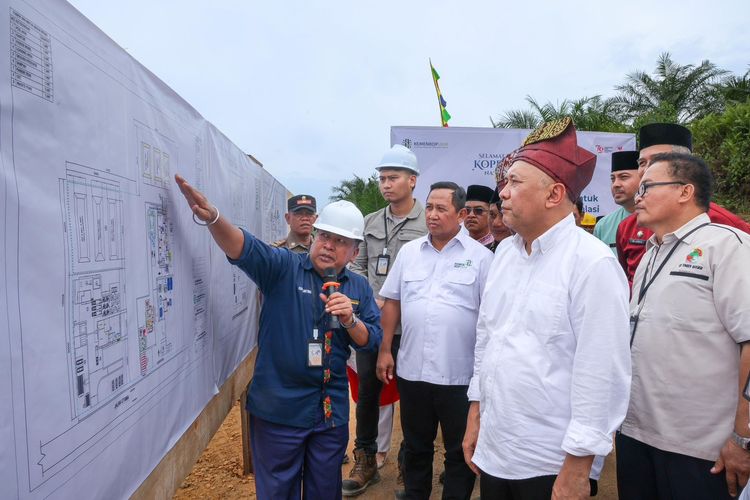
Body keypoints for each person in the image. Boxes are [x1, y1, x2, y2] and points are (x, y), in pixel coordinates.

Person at [174, 174, 382, 500]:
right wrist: (214, 218)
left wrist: (350, 319)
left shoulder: (358, 288)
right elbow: (244, 247)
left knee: (324, 492)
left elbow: (371, 338)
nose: (328, 244)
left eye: (340, 241)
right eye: (324, 235)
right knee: (277, 492)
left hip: (329, 416)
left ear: (354, 252)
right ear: (313, 236)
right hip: (279, 413)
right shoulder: (283, 268)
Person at [463, 118, 631, 500]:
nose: (501, 193)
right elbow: (487, 338)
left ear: (554, 194)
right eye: (505, 183)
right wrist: (476, 414)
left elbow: (601, 374)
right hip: (496, 447)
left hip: (550, 460)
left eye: (515, 183)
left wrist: (577, 468)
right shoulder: (504, 253)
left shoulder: (592, 263)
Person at [616, 152, 750, 499]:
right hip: (636, 435)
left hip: (700, 450)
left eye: (647, 186)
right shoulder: (649, 253)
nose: (637, 195)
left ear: (685, 191)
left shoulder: (727, 247)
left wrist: (742, 437)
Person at [377, 181, 493, 499]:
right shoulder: (410, 253)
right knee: (415, 448)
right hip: (413, 371)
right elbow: (393, 302)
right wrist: (386, 349)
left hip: (460, 376)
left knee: (459, 453)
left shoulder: (482, 259)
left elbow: (491, 319)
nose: (432, 214)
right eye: (429, 207)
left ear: (460, 214)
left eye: (441, 208)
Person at [345, 144, 427, 497]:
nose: (386, 184)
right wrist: (370, 299)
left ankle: (412, 465)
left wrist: (396, 300)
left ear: (412, 181)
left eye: (393, 178)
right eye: (382, 178)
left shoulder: (429, 221)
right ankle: (365, 460)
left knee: (413, 394)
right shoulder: (370, 222)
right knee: (367, 391)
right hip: (373, 325)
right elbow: (356, 265)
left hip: (413, 326)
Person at [615, 123, 750, 288]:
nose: (648, 169)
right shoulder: (627, 227)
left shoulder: (726, 225)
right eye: (642, 163)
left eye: (659, 159)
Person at [593, 151, 639, 255]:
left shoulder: (659, 221)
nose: (615, 184)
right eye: (613, 179)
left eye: (624, 177)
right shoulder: (603, 226)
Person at [464, 184, 496, 249]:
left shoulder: (498, 246)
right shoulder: (457, 245)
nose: (471, 215)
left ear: (490, 214)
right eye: (467, 210)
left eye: (478, 210)